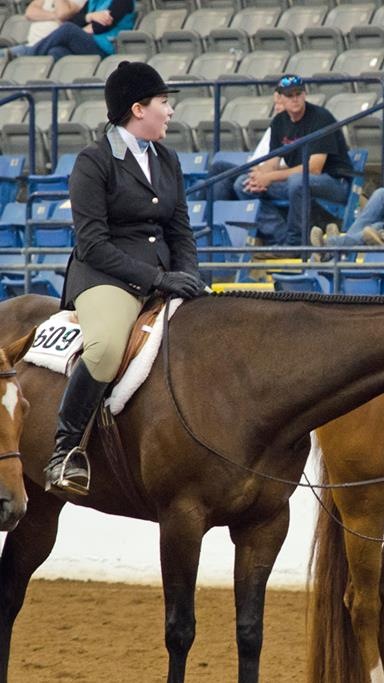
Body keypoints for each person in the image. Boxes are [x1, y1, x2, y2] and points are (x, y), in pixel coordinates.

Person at [43, 61, 205, 495]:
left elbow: (180, 230)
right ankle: (65, 450)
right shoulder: (94, 162)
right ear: (138, 108)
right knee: (106, 348)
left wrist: (187, 276)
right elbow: (93, 244)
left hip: (164, 275)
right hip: (106, 279)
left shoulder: (168, 159)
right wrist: (157, 278)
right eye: (164, 103)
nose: (170, 112)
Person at [234, 74, 353, 250]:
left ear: (305, 94)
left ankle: (296, 243)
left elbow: (314, 168)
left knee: (297, 180)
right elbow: (272, 161)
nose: (295, 99)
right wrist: (260, 178)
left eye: (298, 94)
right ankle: (281, 239)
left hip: (334, 182)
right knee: (243, 184)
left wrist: (270, 177)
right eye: (290, 95)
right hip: (298, 182)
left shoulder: (321, 118)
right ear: (280, 98)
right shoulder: (279, 122)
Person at [207, 91, 285, 203]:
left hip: (265, 172)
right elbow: (260, 155)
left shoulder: (291, 128)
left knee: (218, 167)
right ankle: (210, 218)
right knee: (220, 182)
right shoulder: (276, 124)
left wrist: (260, 170)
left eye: (280, 104)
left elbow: (281, 164)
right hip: (255, 167)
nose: (277, 108)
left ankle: (197, 214)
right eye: (276, 104)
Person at [5, 0, 134, 60]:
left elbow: (100, 27)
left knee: (67, 30)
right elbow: (74, 20)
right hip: (88, 41)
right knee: (55, 51)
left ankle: (28, 54)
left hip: (106, 48)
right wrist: (91, 16)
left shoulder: (123, 1)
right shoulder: (93, 1)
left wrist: (87, 24)